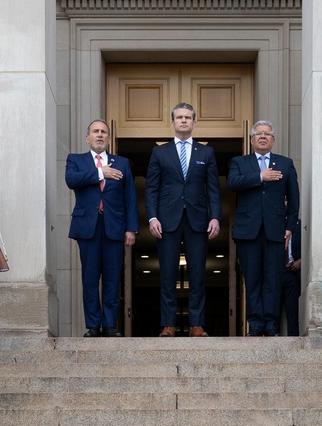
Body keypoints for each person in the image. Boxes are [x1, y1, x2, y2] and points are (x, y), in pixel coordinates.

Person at [145, 103, 221, 337]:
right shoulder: (160, 152)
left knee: (197, 274)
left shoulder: (206, 152)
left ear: (194, 122)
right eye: (179, 117)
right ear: (173, 122)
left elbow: (213, 188)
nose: (184, 120)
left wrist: (215, 217)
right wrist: (152, 217)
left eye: (188, 117)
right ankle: (168, 324)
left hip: (197, 220)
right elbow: (151, 188)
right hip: (166, 220)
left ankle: (196, 325)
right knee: (167, 274)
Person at [65, 119, 138, 337]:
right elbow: (71, 180)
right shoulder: (76, 160)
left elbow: (130, 197)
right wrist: (100, 173)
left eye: (103, 132)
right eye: (95, 131)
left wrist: (131, 229)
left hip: (114, 227)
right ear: (87, 138)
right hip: (87, 227)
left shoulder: (122, 163)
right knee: (90, 279)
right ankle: (93, 326)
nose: (99, 135)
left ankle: (109, 326)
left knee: (112, 278)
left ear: (108, 138)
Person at [227, 121, 300, 336]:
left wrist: (290, 227)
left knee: (273, 280)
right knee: (252, 280)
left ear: (273, 140)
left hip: (275, 231)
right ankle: (256, 325)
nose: (262, 136)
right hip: (248, 231)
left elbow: (294, 200)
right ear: (251, 140)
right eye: (258, 134)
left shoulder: (285, 163)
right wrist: (260, 177)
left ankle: (271, 325)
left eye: (267, 134)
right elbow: (232, 183)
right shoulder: (239, 162)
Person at [281, 217, 302, 336]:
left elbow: (309, 245)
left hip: (292, 274)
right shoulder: (272, 222)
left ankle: (294, 339)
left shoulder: (299, 224)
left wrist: (302, 261)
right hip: (275, 275)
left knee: (293, 312)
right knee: (272, 312)